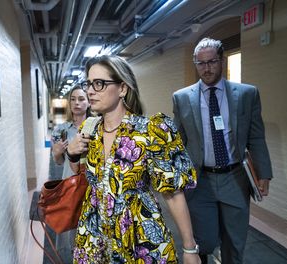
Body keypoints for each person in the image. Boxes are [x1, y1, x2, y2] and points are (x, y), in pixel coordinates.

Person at [66, 55, 201, 263]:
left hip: (138, 234)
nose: (90, 91)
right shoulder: (89, 128)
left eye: (99, 84)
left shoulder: (150, 131)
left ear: (122, 88)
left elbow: (173, 194)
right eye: (89, 84)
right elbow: (79, 172)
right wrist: (72, 153)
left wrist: (190, 249)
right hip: (94, 231)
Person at [172, 37, 273, 264]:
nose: (206, 69)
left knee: (235, 242)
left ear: (222, 60)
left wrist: (264, 172)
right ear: (195, 64)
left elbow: (256, 136)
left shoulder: (247, 94)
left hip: (235, 178)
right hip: (201, 180)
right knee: (204, 241)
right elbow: (178, 141)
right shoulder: (182, 97)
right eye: (201, 63)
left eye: (212, 62)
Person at [50, 85, 91, 263]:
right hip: (70, 184)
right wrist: (57, 153)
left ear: (89, 102)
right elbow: (58, 162)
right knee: (72, 229)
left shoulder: (98, 126)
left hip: (93, 184)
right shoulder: (61, 130)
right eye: (73, 99)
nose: (77, 103)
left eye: (81, 99)